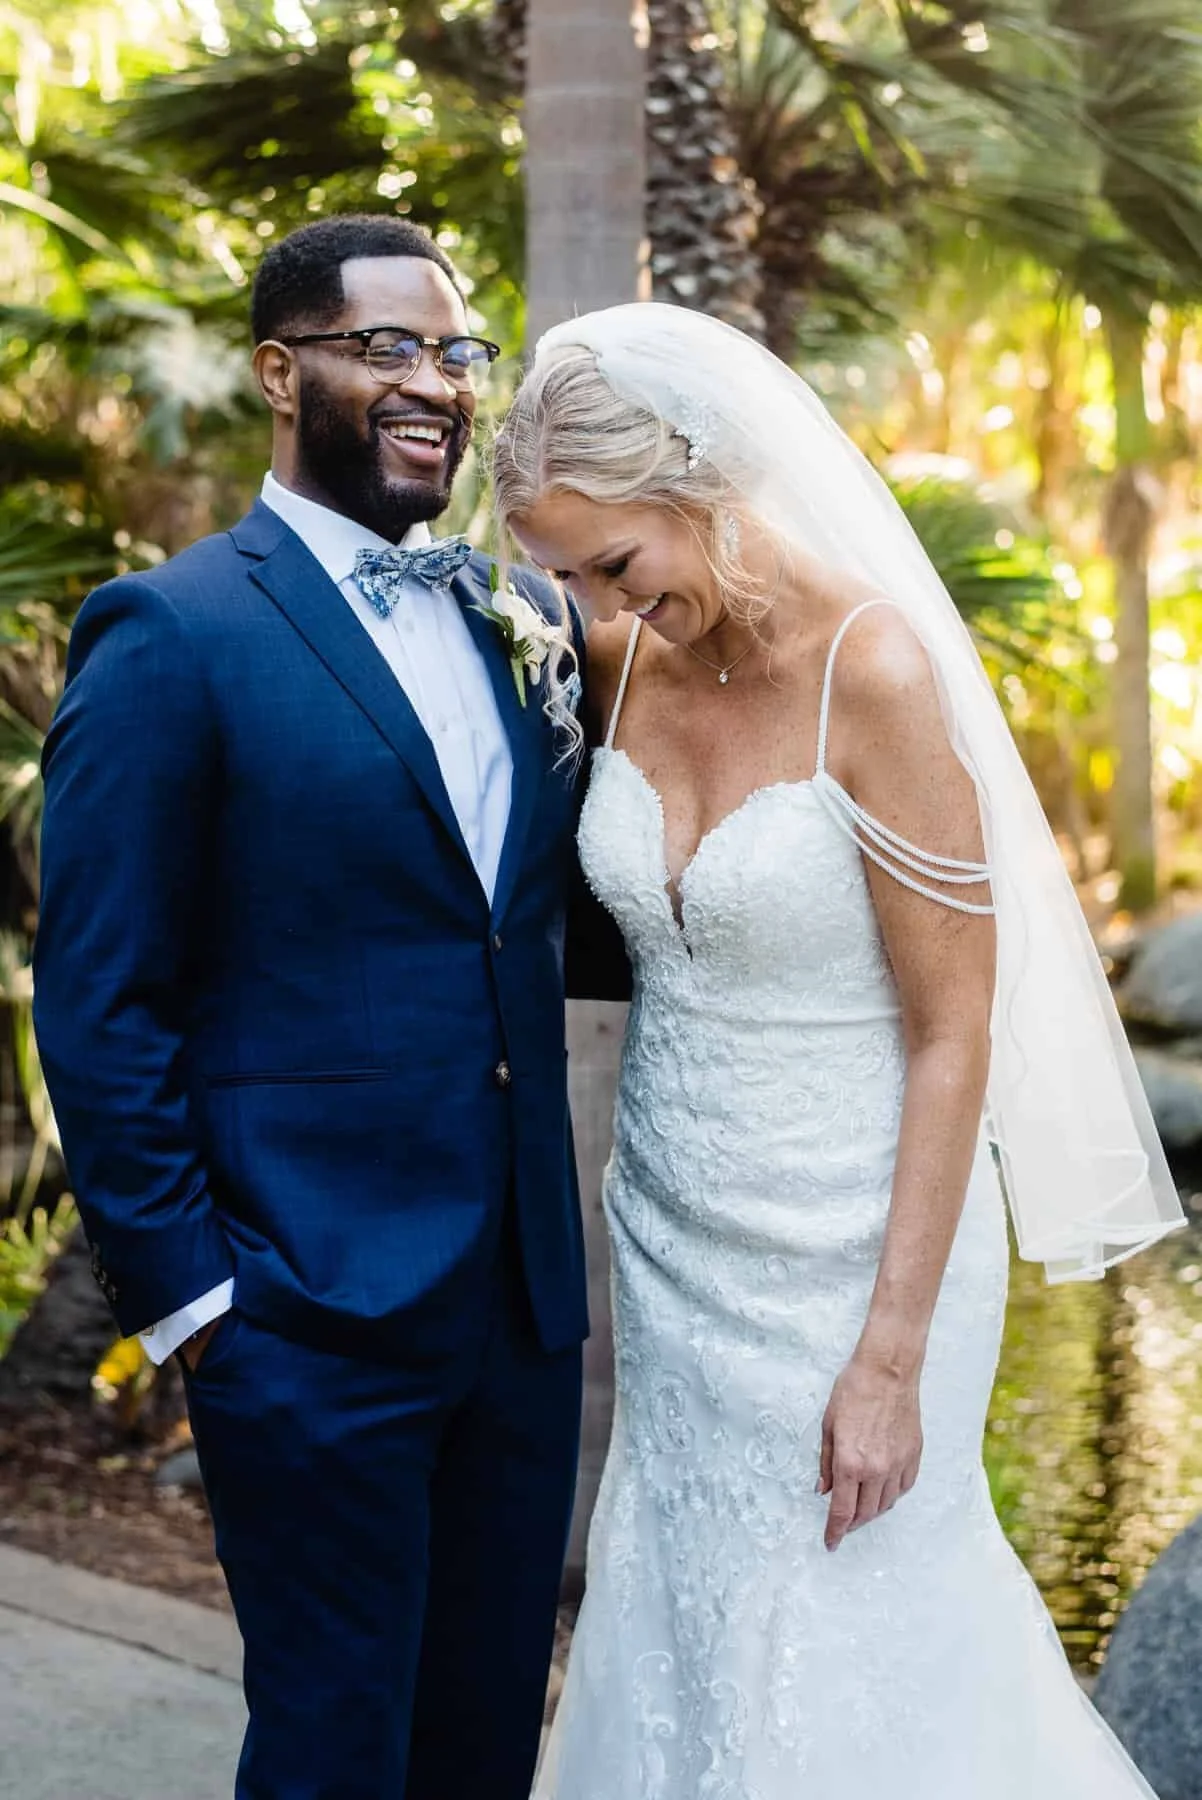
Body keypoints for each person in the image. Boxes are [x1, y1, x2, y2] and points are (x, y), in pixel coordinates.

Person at [493, 301, 1184, 1799]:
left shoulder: (871, 668)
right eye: (560, 572)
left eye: (613, 560)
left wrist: (887, 1360)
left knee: (862, 1613)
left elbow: (953, 1035)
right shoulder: (611, 658)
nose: (594, 597)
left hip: (862, 1246)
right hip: (678, 1237)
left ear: (697, 484)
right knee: (681, 1602)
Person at [32, 214, 625, 1800]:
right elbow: (101, 1003)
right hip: (302, 1318)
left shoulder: (534, 624)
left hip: (515, 1308)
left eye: (455, 352)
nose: (435, 383)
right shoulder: (174, 632)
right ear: (282, 373)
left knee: (483, 1737)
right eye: (389, 349)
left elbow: (548, 924)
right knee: (330, 1747)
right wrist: (200, 1305)